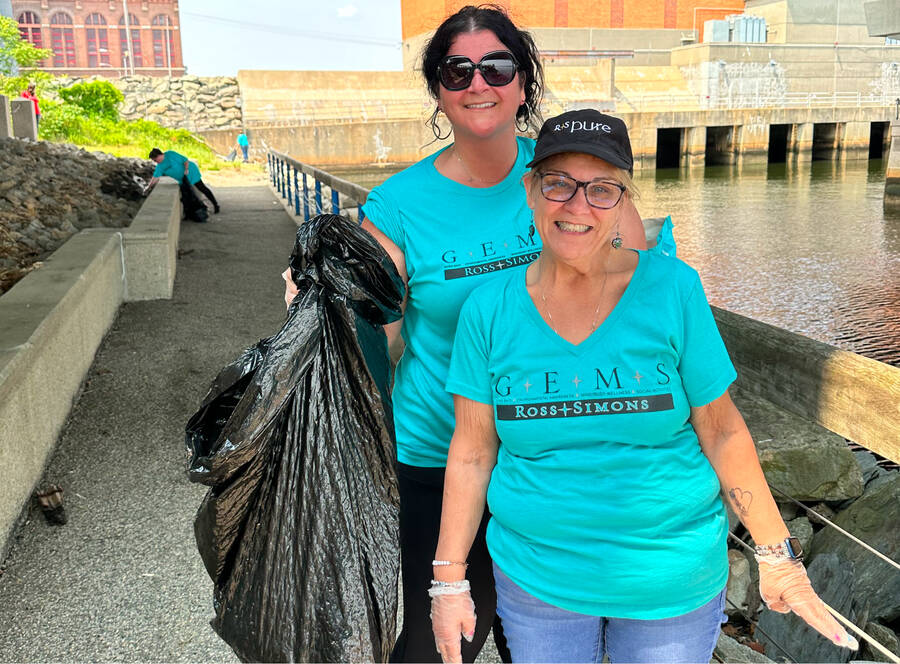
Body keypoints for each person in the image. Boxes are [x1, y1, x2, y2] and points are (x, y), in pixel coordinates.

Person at [429, 109, 860, 664]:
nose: (577, 206)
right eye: (558, 183)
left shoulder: (674, 290)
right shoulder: (488, 310)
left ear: (625, 202)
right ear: (530, 191)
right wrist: (448, 581)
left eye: (602, 190)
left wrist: (778, 557)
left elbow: (722, 430)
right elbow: (471, 450)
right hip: (539, 578)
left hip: (670, 579)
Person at [283, 7, 645, 662]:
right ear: (440, 92)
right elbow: (375, 318)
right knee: (431, 649)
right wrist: (323, 290)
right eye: (458, 70)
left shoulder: (575, 177)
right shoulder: (400, 204)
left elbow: (635, 290)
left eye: (497, 66)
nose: (478, 83)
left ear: (523, 83)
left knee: (556, 649)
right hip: (439, 460)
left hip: (552, 458)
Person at [146, 147, 220, 214]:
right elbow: (155, 177)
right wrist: (148, 187)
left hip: (190, 171)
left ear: (159, 155)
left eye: (155, 160)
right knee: (186, 195)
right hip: (182, 178)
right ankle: (190, 212)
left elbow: (185, 160)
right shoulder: (160, 166)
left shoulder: (170, 154)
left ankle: (215, 205)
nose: (155, 162)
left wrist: (186, 169)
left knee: (201, 188)